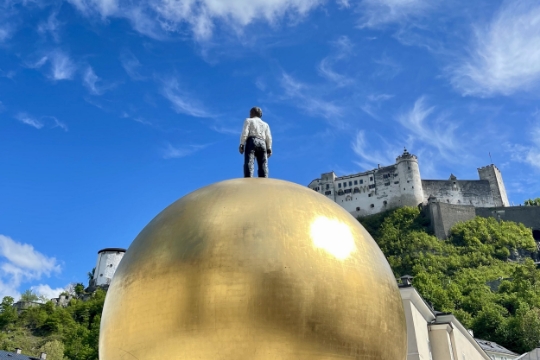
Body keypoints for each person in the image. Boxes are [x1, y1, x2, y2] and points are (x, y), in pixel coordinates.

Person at [239, 107, 272, 178]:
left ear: (253, 113)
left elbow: (245, 132)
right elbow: (268, 137)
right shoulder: (265, 124)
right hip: (263, 143)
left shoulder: (249, 120)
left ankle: (248, 179)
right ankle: (264, 180)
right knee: (263, 163)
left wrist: (242, 144)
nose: (249, 114)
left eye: (250, 112)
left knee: (249, 161)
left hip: (252, 141)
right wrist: (269, 148)